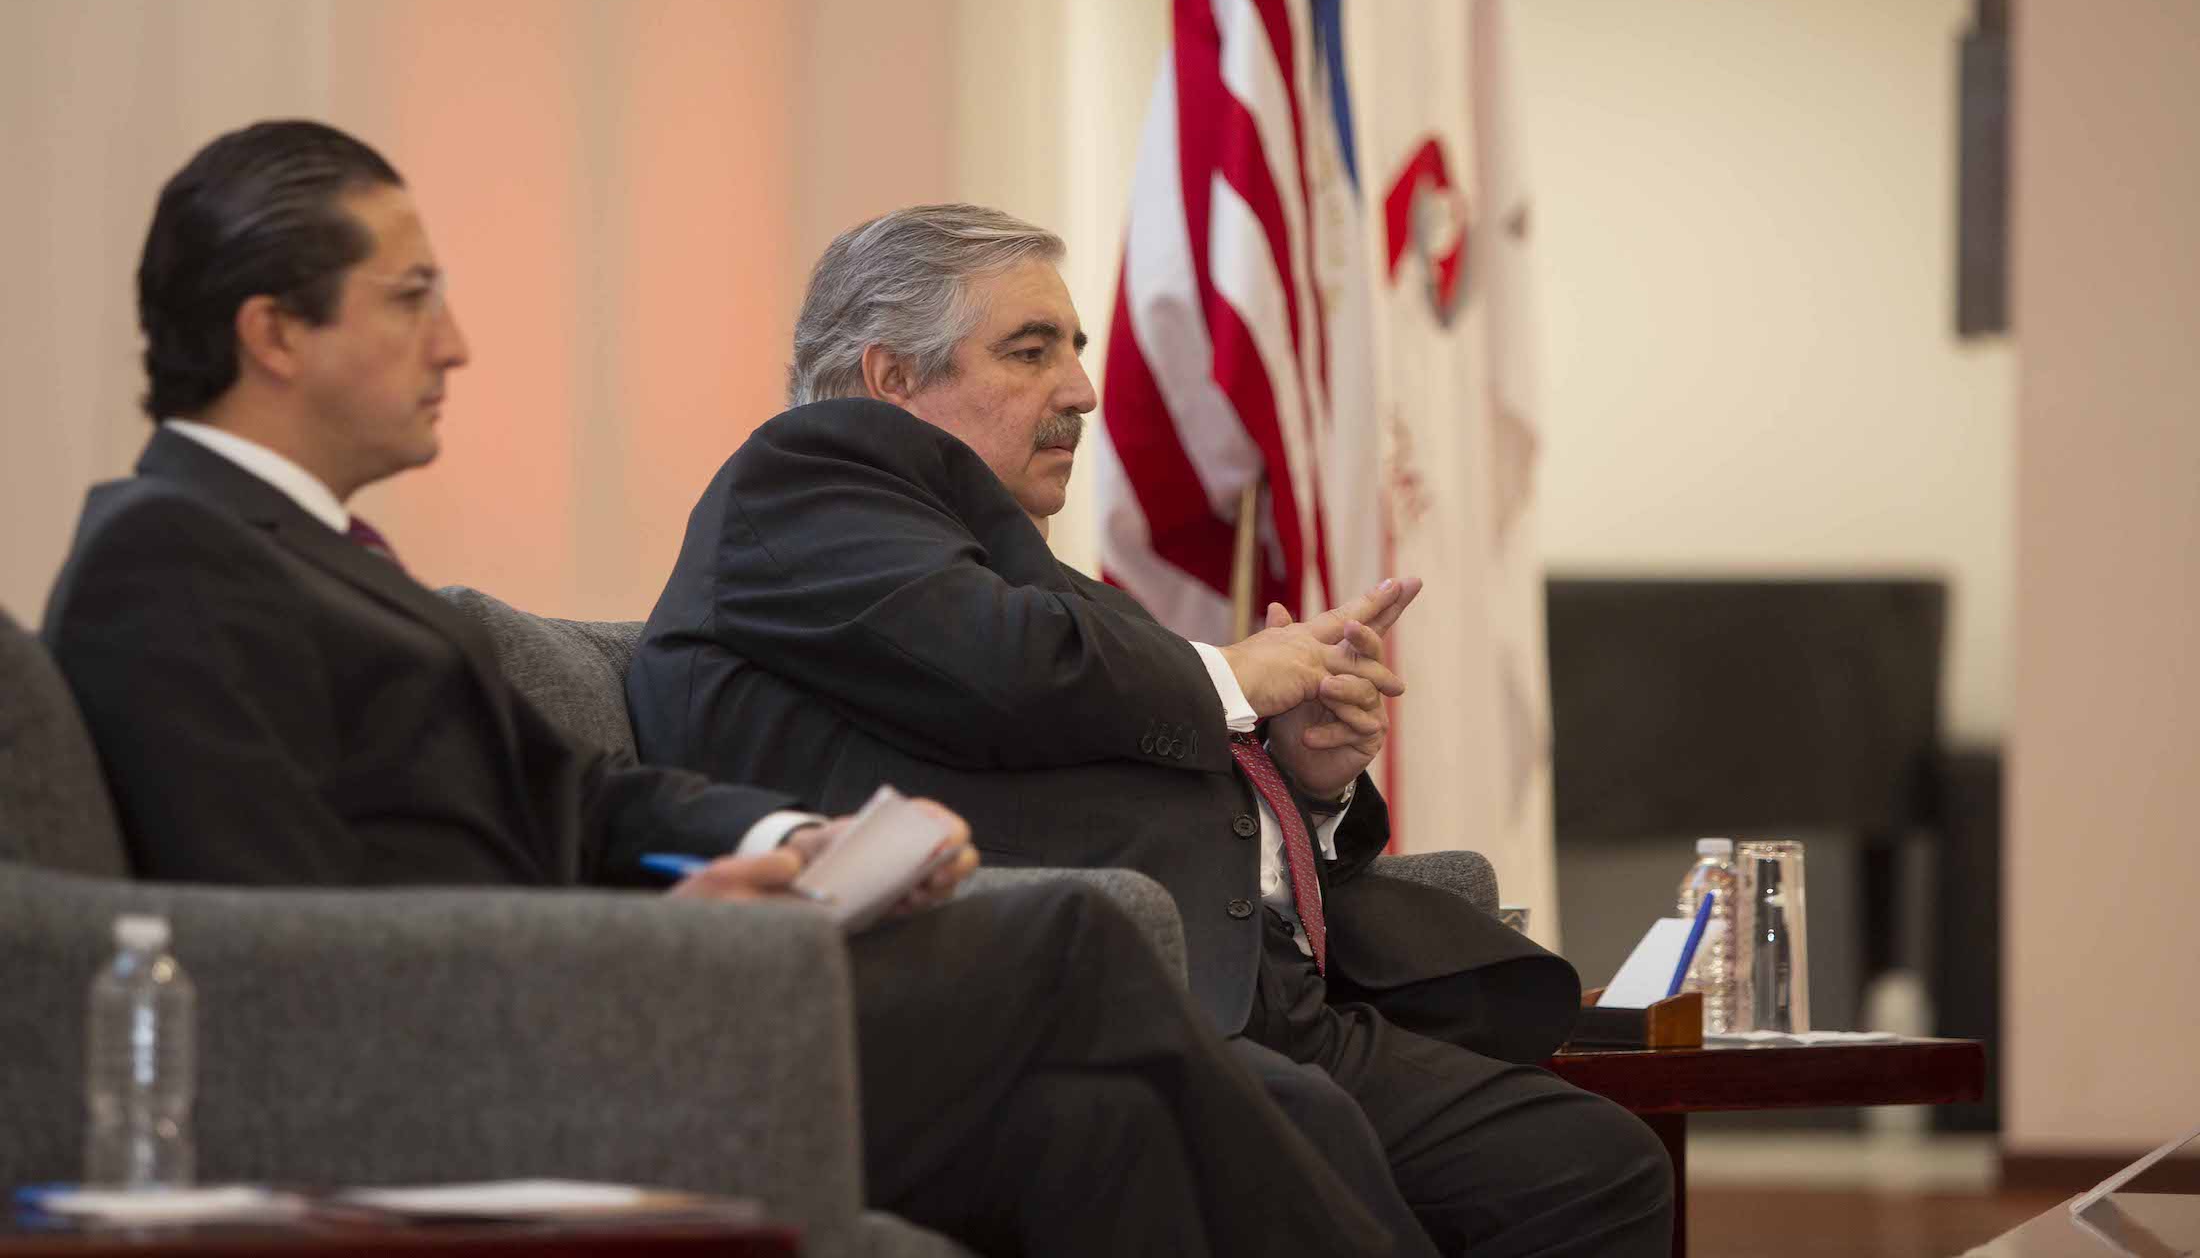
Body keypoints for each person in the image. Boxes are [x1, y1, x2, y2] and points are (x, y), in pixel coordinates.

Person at [41, 122, 1406, 1258]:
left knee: (1102, 1133)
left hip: (596, 1000)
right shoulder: (163, 563)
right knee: (1071, 939)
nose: (454, 342)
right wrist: (650, 938)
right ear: (274, 332)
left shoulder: (322, 556)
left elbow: (579, 795)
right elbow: (263, 924)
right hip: (489, 1065)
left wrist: (781, 841)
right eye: (410, 298)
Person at [629, 204, 1676, 1257]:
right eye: (1028, 352)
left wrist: (1306, 775)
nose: (1080, 391)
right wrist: (1232, 672)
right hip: (1086, 1006)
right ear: (892, 380)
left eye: (1073, 350)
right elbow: (1010, 675)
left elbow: (1087, 727)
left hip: (1259, 995)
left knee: (1590, 1167)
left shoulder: (994, 562)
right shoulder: (804, 482)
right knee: (1314, 1154)